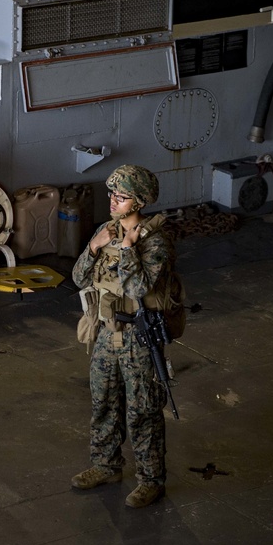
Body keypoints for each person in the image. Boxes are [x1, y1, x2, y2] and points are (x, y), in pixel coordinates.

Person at [70, 164, 172, 508]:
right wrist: (95, 247)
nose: (113, 201)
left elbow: (139, 286)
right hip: (105, 333)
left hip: (138, 339)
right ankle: (106, 465)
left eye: (121, 196)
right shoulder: (106, 230)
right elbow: (79, 278)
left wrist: (128, 249)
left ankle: (151, 480)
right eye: (112, 194)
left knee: (142, 411)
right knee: (103, 402)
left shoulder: (155, 243)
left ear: (139, 202)